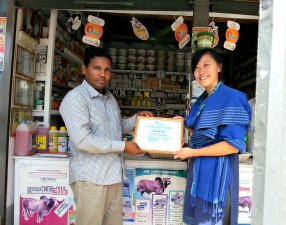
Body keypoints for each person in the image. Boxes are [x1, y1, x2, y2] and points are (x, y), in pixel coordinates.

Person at [59, 47, 153, 225]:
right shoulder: (76, 98)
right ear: (84, 69)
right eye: (97, 68)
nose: (102, 74)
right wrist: (124, 147)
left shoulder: (109, 98)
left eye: (107, 70)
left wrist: (137, 119)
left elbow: (117, 128)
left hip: (113, 177)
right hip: (91, 180)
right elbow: (83, 140)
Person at [173, 48, 252, 225]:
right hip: (201, 173)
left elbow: (232, 145)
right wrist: (181, 126)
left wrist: (192, 153)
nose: (201, 72)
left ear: (219, 67)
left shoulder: (231, 98)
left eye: (206, 65)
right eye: (196, 67)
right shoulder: (201, 102)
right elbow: (208, 136)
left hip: (219, 179)